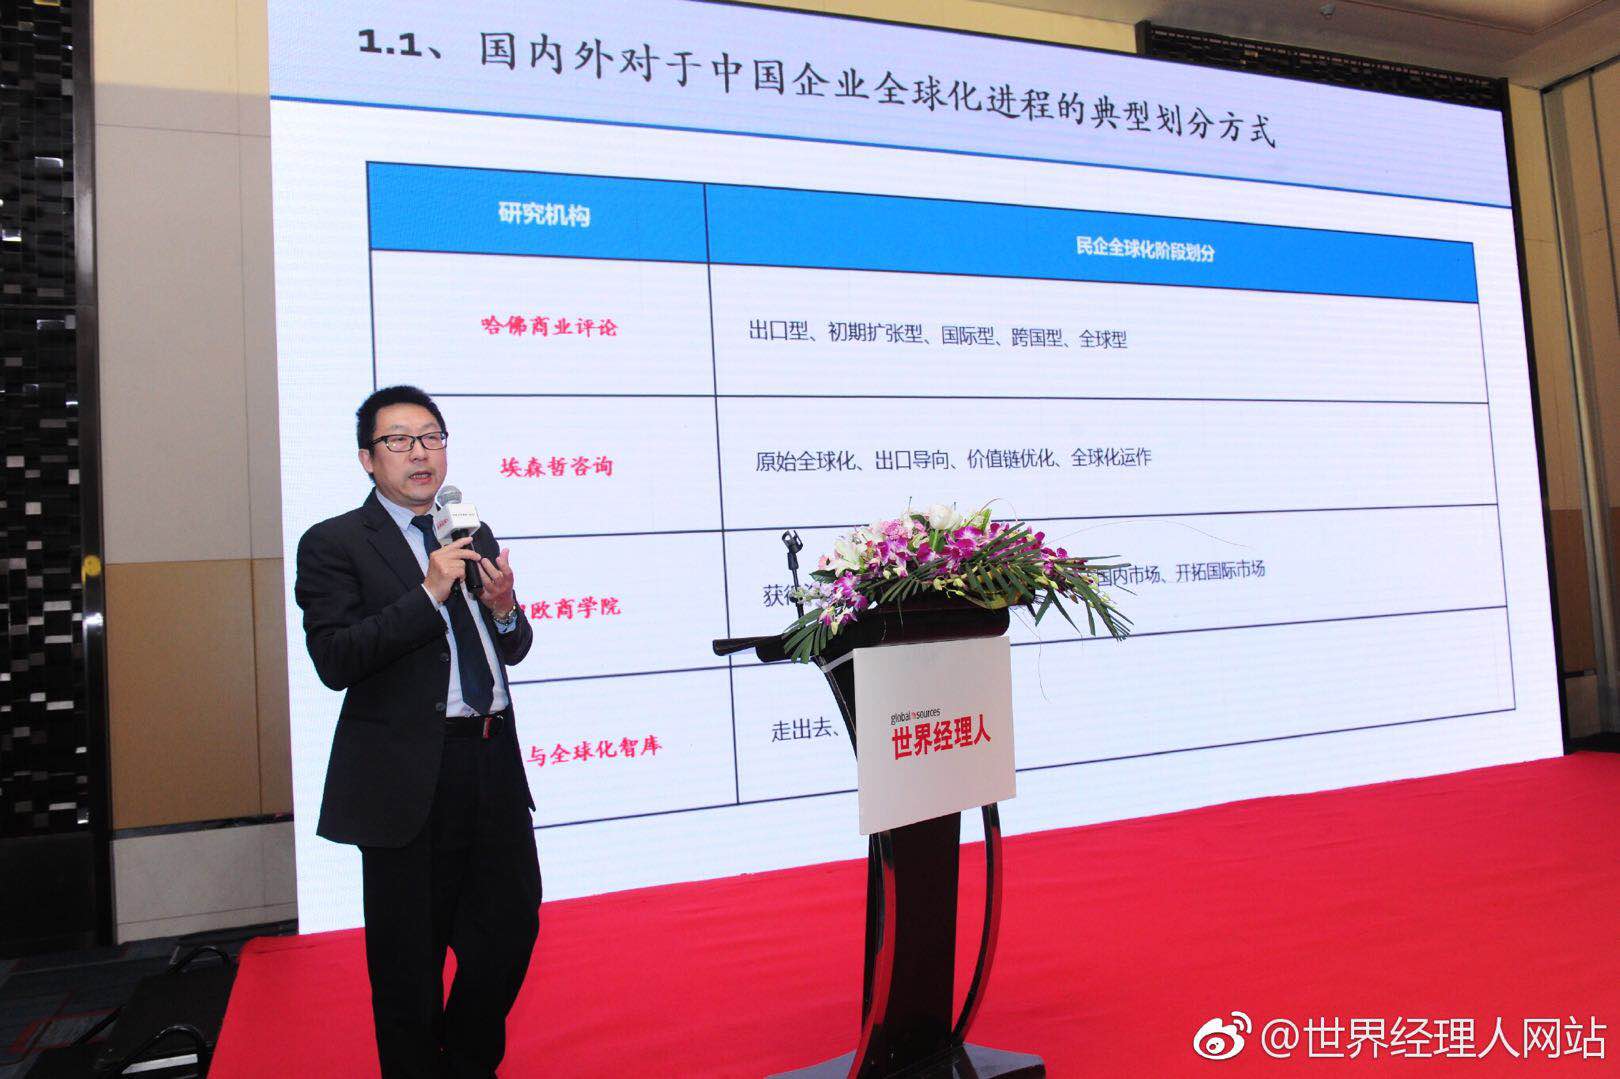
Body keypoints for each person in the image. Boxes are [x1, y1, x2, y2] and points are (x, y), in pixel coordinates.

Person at [294, 385, 539, 1078]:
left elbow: (513, 648)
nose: (420, 452)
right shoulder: (335, 542)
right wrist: (427, 594)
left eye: (431, 436)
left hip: (491, 761)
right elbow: (335, 659)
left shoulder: (469, 531)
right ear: (368, 460)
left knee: (511, 929)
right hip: (407, 779)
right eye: (399, 440)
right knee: (409, 962)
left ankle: (466, 1062)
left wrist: (504, 608)